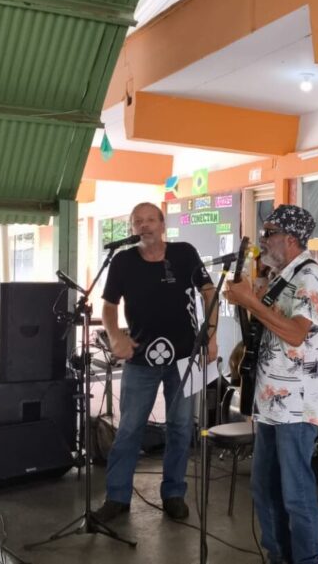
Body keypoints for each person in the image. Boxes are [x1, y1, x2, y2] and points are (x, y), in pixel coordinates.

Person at [95, 202, 218, 523]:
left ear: (163, 225)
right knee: (129, 429)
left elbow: (209, 292)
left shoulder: (184, 253)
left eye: (150, 220)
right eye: (138, 221)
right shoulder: (122, 261)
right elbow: (108, 306)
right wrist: (115, 337)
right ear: (131, 228)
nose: (144, 226)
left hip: (185, 357)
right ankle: (117, 497)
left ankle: (174, 494)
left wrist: (211, 334)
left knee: (181, 427)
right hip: (140, 359)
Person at [225, 204, 318, 564]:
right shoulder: (283, 276)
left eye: (268, 233)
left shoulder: (310, 276)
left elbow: (296, 333)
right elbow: (269, 325)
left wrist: (251, 302)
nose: (263, 241)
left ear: (290, 239)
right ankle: (278, 555)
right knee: (264, 487)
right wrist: (248, 300)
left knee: (295, 493)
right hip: (271, 401)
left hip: (297, 404)